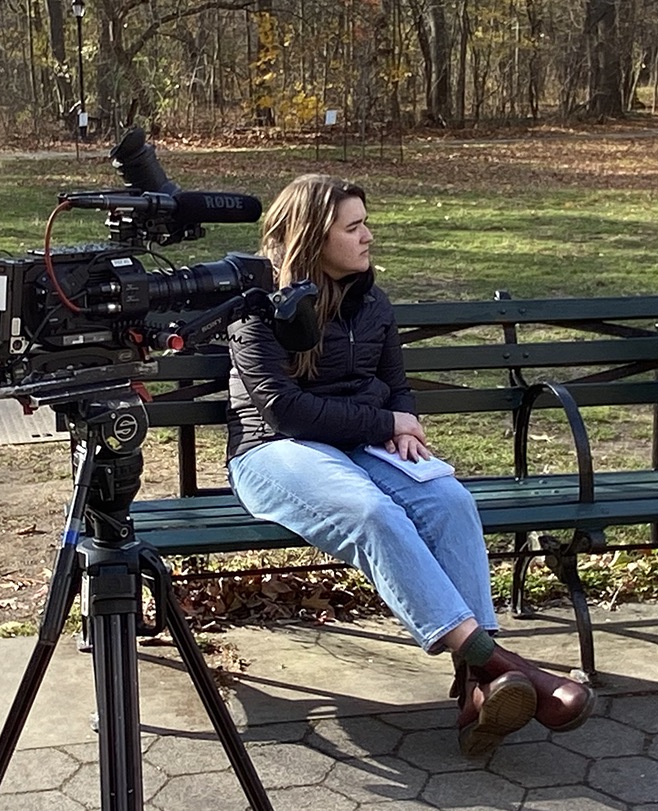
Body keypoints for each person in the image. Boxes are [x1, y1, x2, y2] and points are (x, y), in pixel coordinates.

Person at [225, 174, 594, 757]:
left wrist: (402, 423)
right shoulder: (257, 301)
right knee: (372, 513)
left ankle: (481, 689)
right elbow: (284, 410)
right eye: (354, 227)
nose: (369, 236)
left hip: (360, 447)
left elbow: (395, 384)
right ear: (313, 237)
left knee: (450, 500)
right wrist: (383, 424)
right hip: (273, 451)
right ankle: (498, 664)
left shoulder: (370, 299)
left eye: (365, 222)